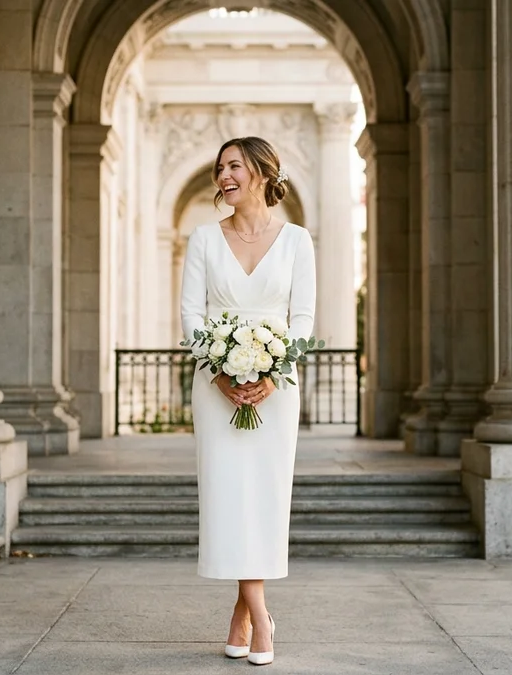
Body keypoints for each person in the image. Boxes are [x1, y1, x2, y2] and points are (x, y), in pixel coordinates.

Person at [179, 137, 316, 666]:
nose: (224, 176)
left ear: (261, 171)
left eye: (234, 166)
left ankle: (243, 611)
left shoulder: (298, 240)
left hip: (276, 392)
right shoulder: (203, 240)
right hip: (216, 389)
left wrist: (277, 375)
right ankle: (261, 616)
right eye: (220, 168)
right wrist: (217, 372)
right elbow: (192, 315)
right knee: (227, 495)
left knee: (263, 497)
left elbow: (301, 319)